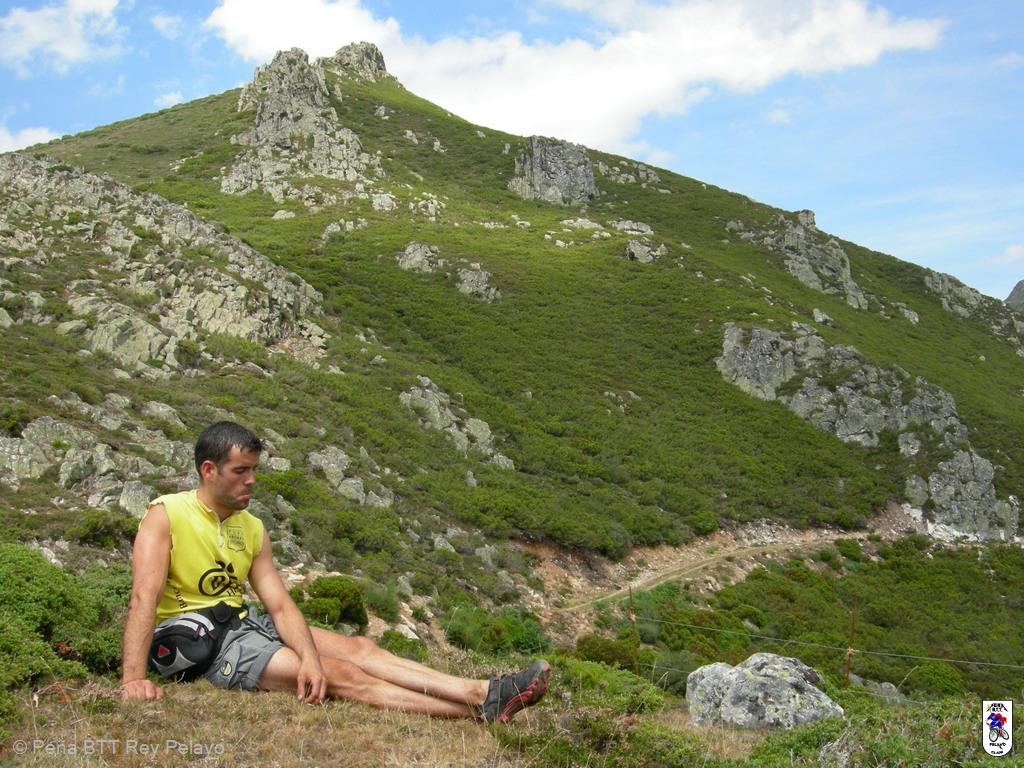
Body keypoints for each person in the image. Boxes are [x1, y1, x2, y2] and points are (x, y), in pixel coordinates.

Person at [120, 420, 549, 722]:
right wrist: (133, 680)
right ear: (209, 470)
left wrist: (308, 657)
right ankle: (477, 707)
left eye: (254, 470)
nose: (251, 481)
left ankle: (481, 692)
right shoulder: (166, 515)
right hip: (199, 642)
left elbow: (280, 605)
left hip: (243, 624)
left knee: (360, 648)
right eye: (240, 471)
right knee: (342, 675)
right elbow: (143, 597)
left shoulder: (251, 528)